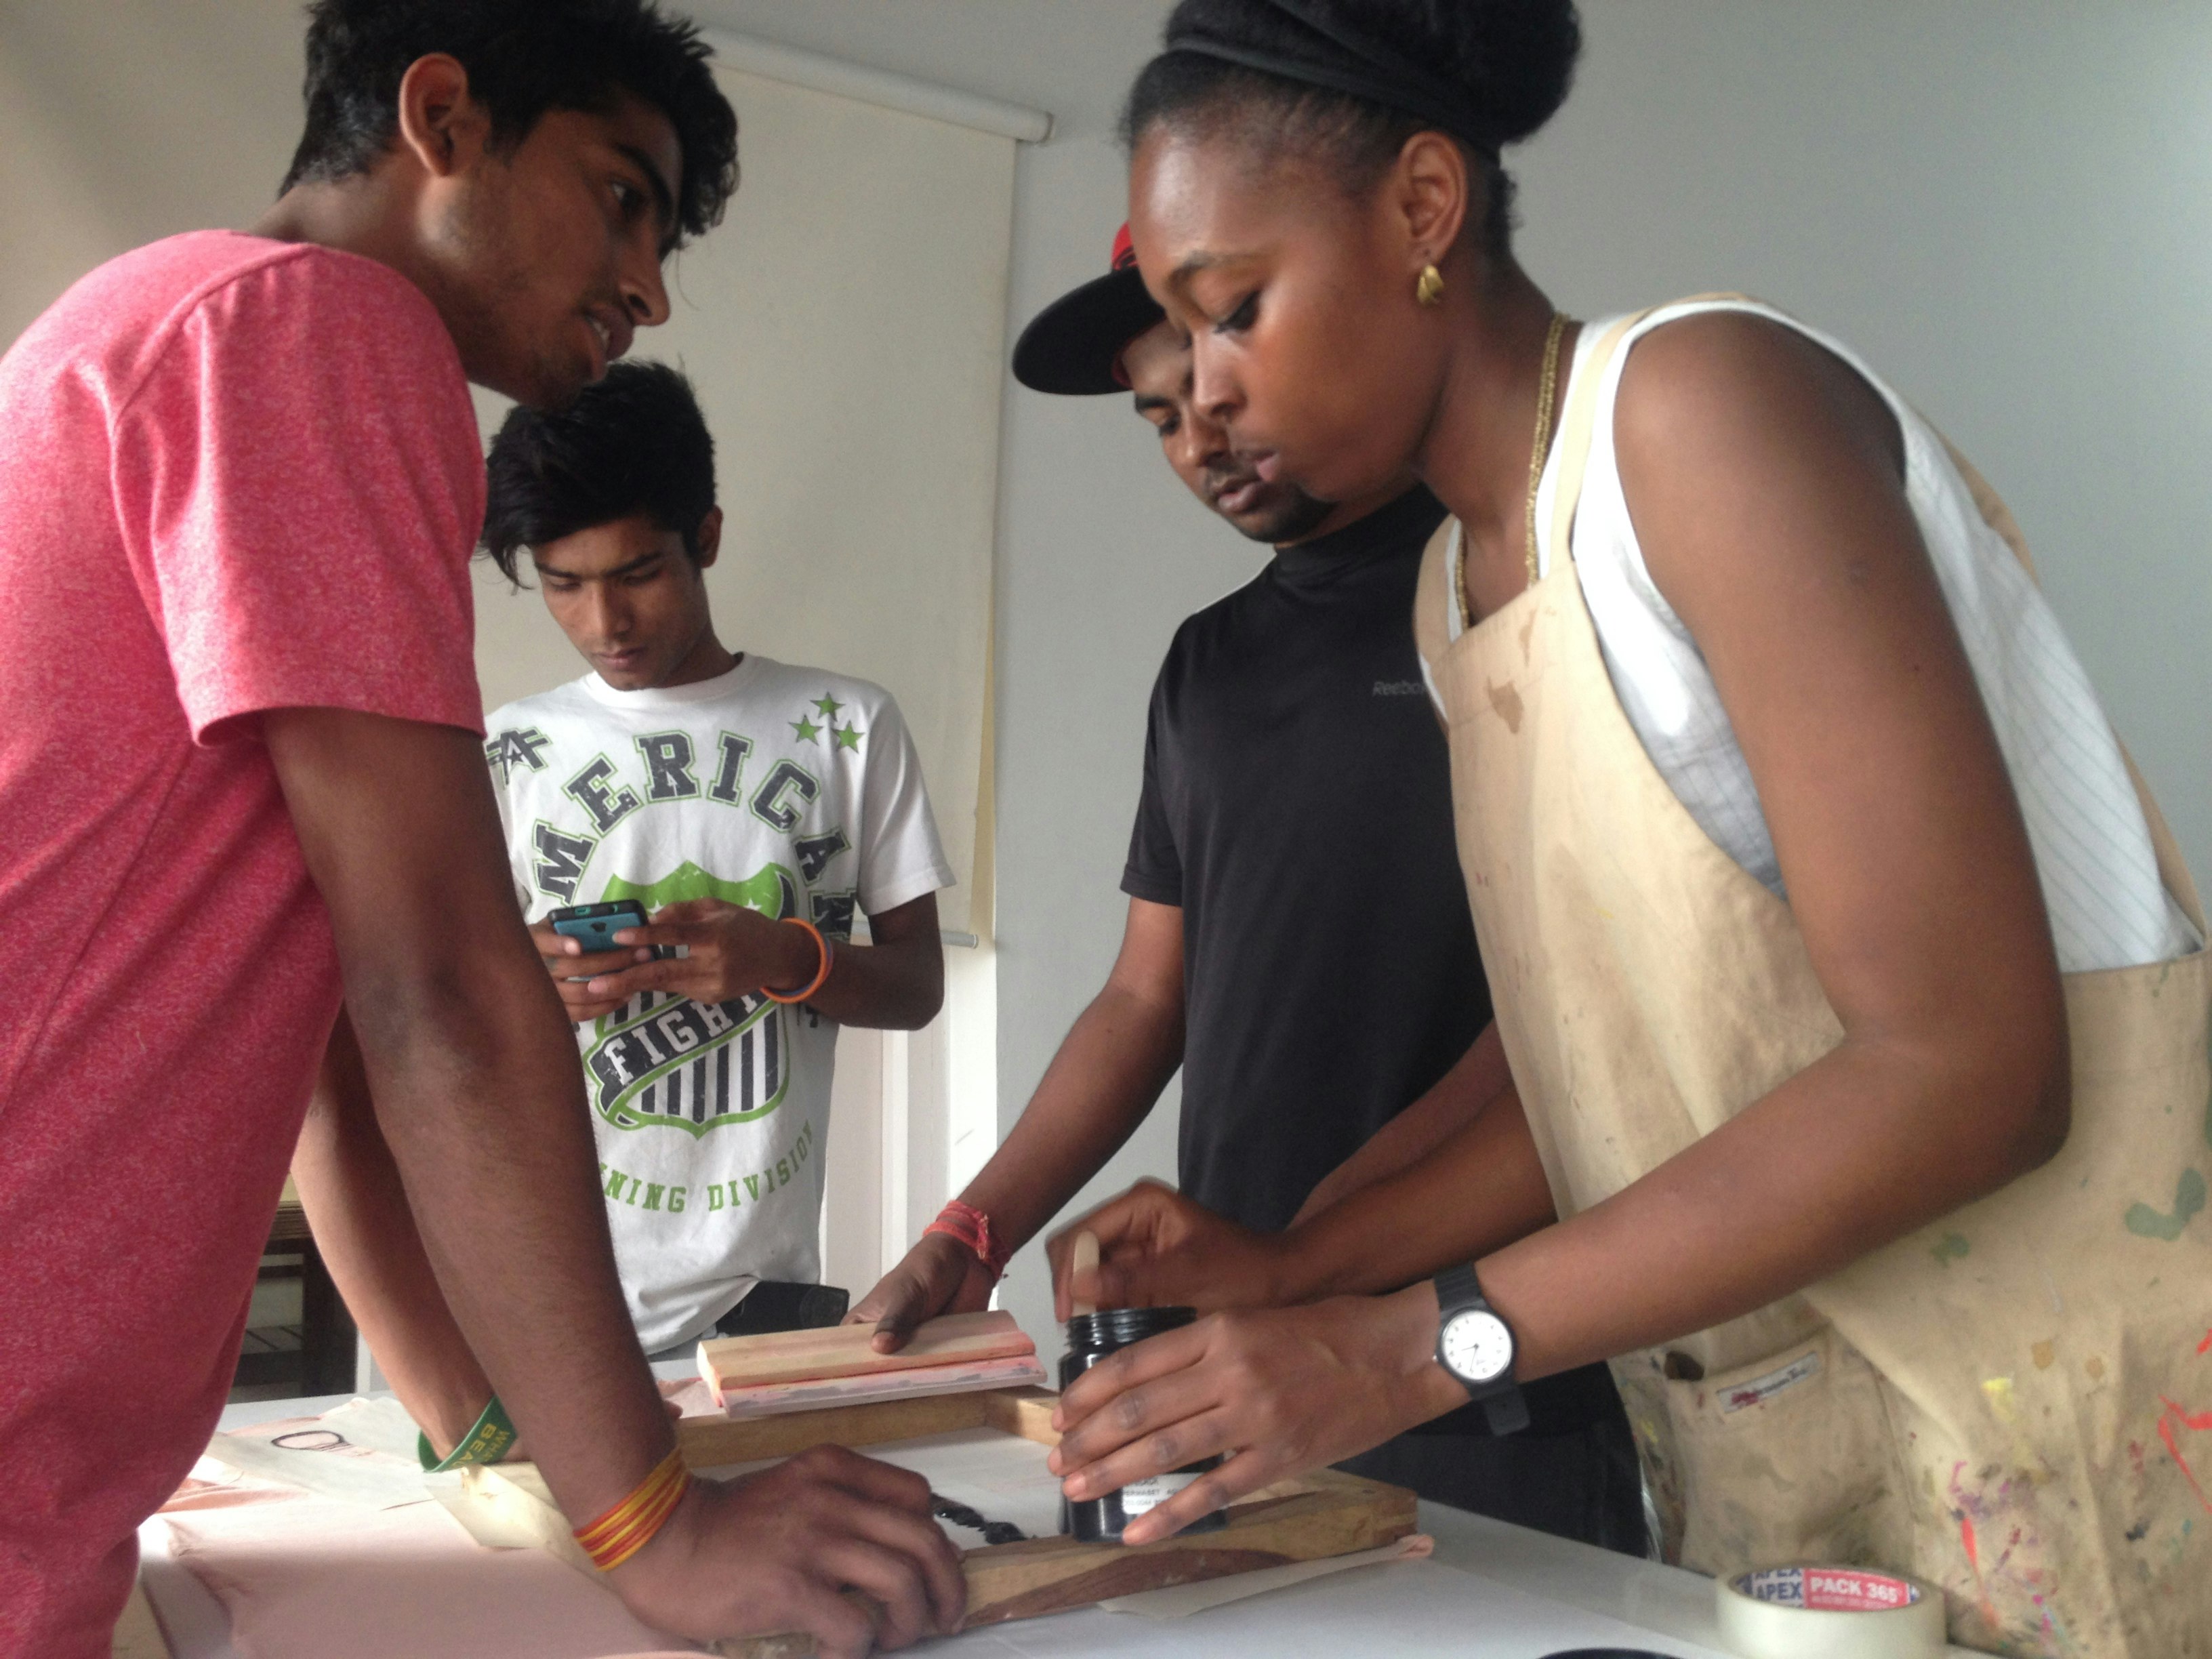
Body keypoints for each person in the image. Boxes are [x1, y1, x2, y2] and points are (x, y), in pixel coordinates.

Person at [1040, 3, 2211, 1656]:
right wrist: (1299, 1262)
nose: (1208, 396)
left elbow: (1969, 1070)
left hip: (2063, 1421)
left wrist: (1402, 1348)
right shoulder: (1465, 594)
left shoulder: (1695, 407)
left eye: (1233, 311)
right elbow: (1592, 1072)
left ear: (1424, 210)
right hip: (1802, 1471)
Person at [0, 5, 959, 1655]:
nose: (650, 285)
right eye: (620, 196)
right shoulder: (313, 327)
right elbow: (435, 987)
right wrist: (652, 1523)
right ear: (441, 116)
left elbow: (308, 1039)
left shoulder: (145, 320)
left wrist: (474, 1430)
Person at [848, 224, 1642, 1550]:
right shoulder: (1206, 668)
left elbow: (1592, 1032)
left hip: (1488, 1351)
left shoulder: (1517, 590)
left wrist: (1325, 1257)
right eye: (1162, 416)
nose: (1200, 440)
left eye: (1225, 379)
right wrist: (970, 1233)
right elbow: (1141, 999)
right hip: (1235, 1349)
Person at [299, 361, 954, 1427]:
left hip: (757, 1300)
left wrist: (788, 960)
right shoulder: (505, 749)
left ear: (708, 535)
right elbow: (418, 1020)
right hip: (528, 1288)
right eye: (562, 583)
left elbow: (919, 983)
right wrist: (528, 982)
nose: (605, 619)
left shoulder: (845, 726)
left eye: (638, 571)